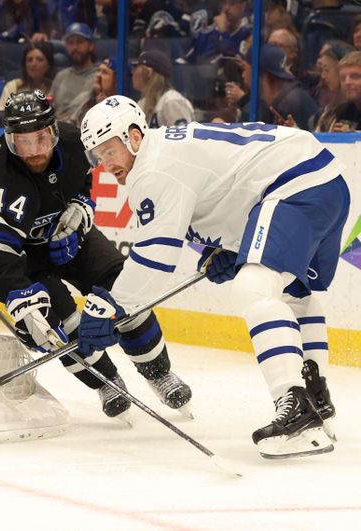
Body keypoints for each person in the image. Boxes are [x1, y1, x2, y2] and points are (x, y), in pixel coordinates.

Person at [78, 94, 347, 458]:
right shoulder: (166, 155)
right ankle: (317, 400)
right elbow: (233, 185)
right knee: (292, 293)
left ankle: (296, 408)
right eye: (98, 156)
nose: (105, 164)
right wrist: (232, 249)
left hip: (294, 183)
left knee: (254, 287)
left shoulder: (153, 169)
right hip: (323, 180)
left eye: (110, 150)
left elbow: (155, 258)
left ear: (134, 136)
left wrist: (113, 306)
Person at [0, 89, 192, 420]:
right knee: (57, 320)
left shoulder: (76, 142)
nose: (35, 153)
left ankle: (159, 373)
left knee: (122, 286)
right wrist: (19, 298)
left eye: (42, 139)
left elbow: (81, 182)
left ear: (55, 130)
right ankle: (106, 382)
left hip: (66, 232)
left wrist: (80, 205)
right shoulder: (2, 180)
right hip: (18, 253)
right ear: (9, 140)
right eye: (24, 143)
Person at [130, 50, 194, 127]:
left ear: (148, 72)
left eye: (136, 67)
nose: (132, 72)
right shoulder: (142, 103)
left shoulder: (173, 101)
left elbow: (183, 138)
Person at [49, 23, 97, 124]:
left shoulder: (100, 75)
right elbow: (49, 106)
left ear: (91, 46)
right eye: (70, 43)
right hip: (59, 130)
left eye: (80, 42)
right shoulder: (61, 76)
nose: (75, 47)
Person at [0, 42, 55, 111]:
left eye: (39, 59)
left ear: (48, 65)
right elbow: (0, 115)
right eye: (29, 60)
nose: (33, 64)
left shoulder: (55, 88)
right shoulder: (13, 86)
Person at [323, 51, 361, 132]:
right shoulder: (340, 112)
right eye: (343, 78)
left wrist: (354, 137)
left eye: (355, 76)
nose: (347, 82)